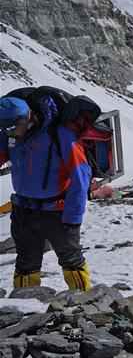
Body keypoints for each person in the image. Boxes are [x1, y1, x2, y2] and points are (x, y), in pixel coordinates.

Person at [0, 96, 92, 290]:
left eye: (11, 129)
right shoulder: (10, 136)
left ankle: (84, 302)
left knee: (71, 260)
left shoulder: (60, 135)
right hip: (23, 212)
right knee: (26, 263)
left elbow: (81, 177)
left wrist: (73, 217)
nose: (9, 134)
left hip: (58, 212)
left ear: (26, 119)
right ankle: (25, 306)